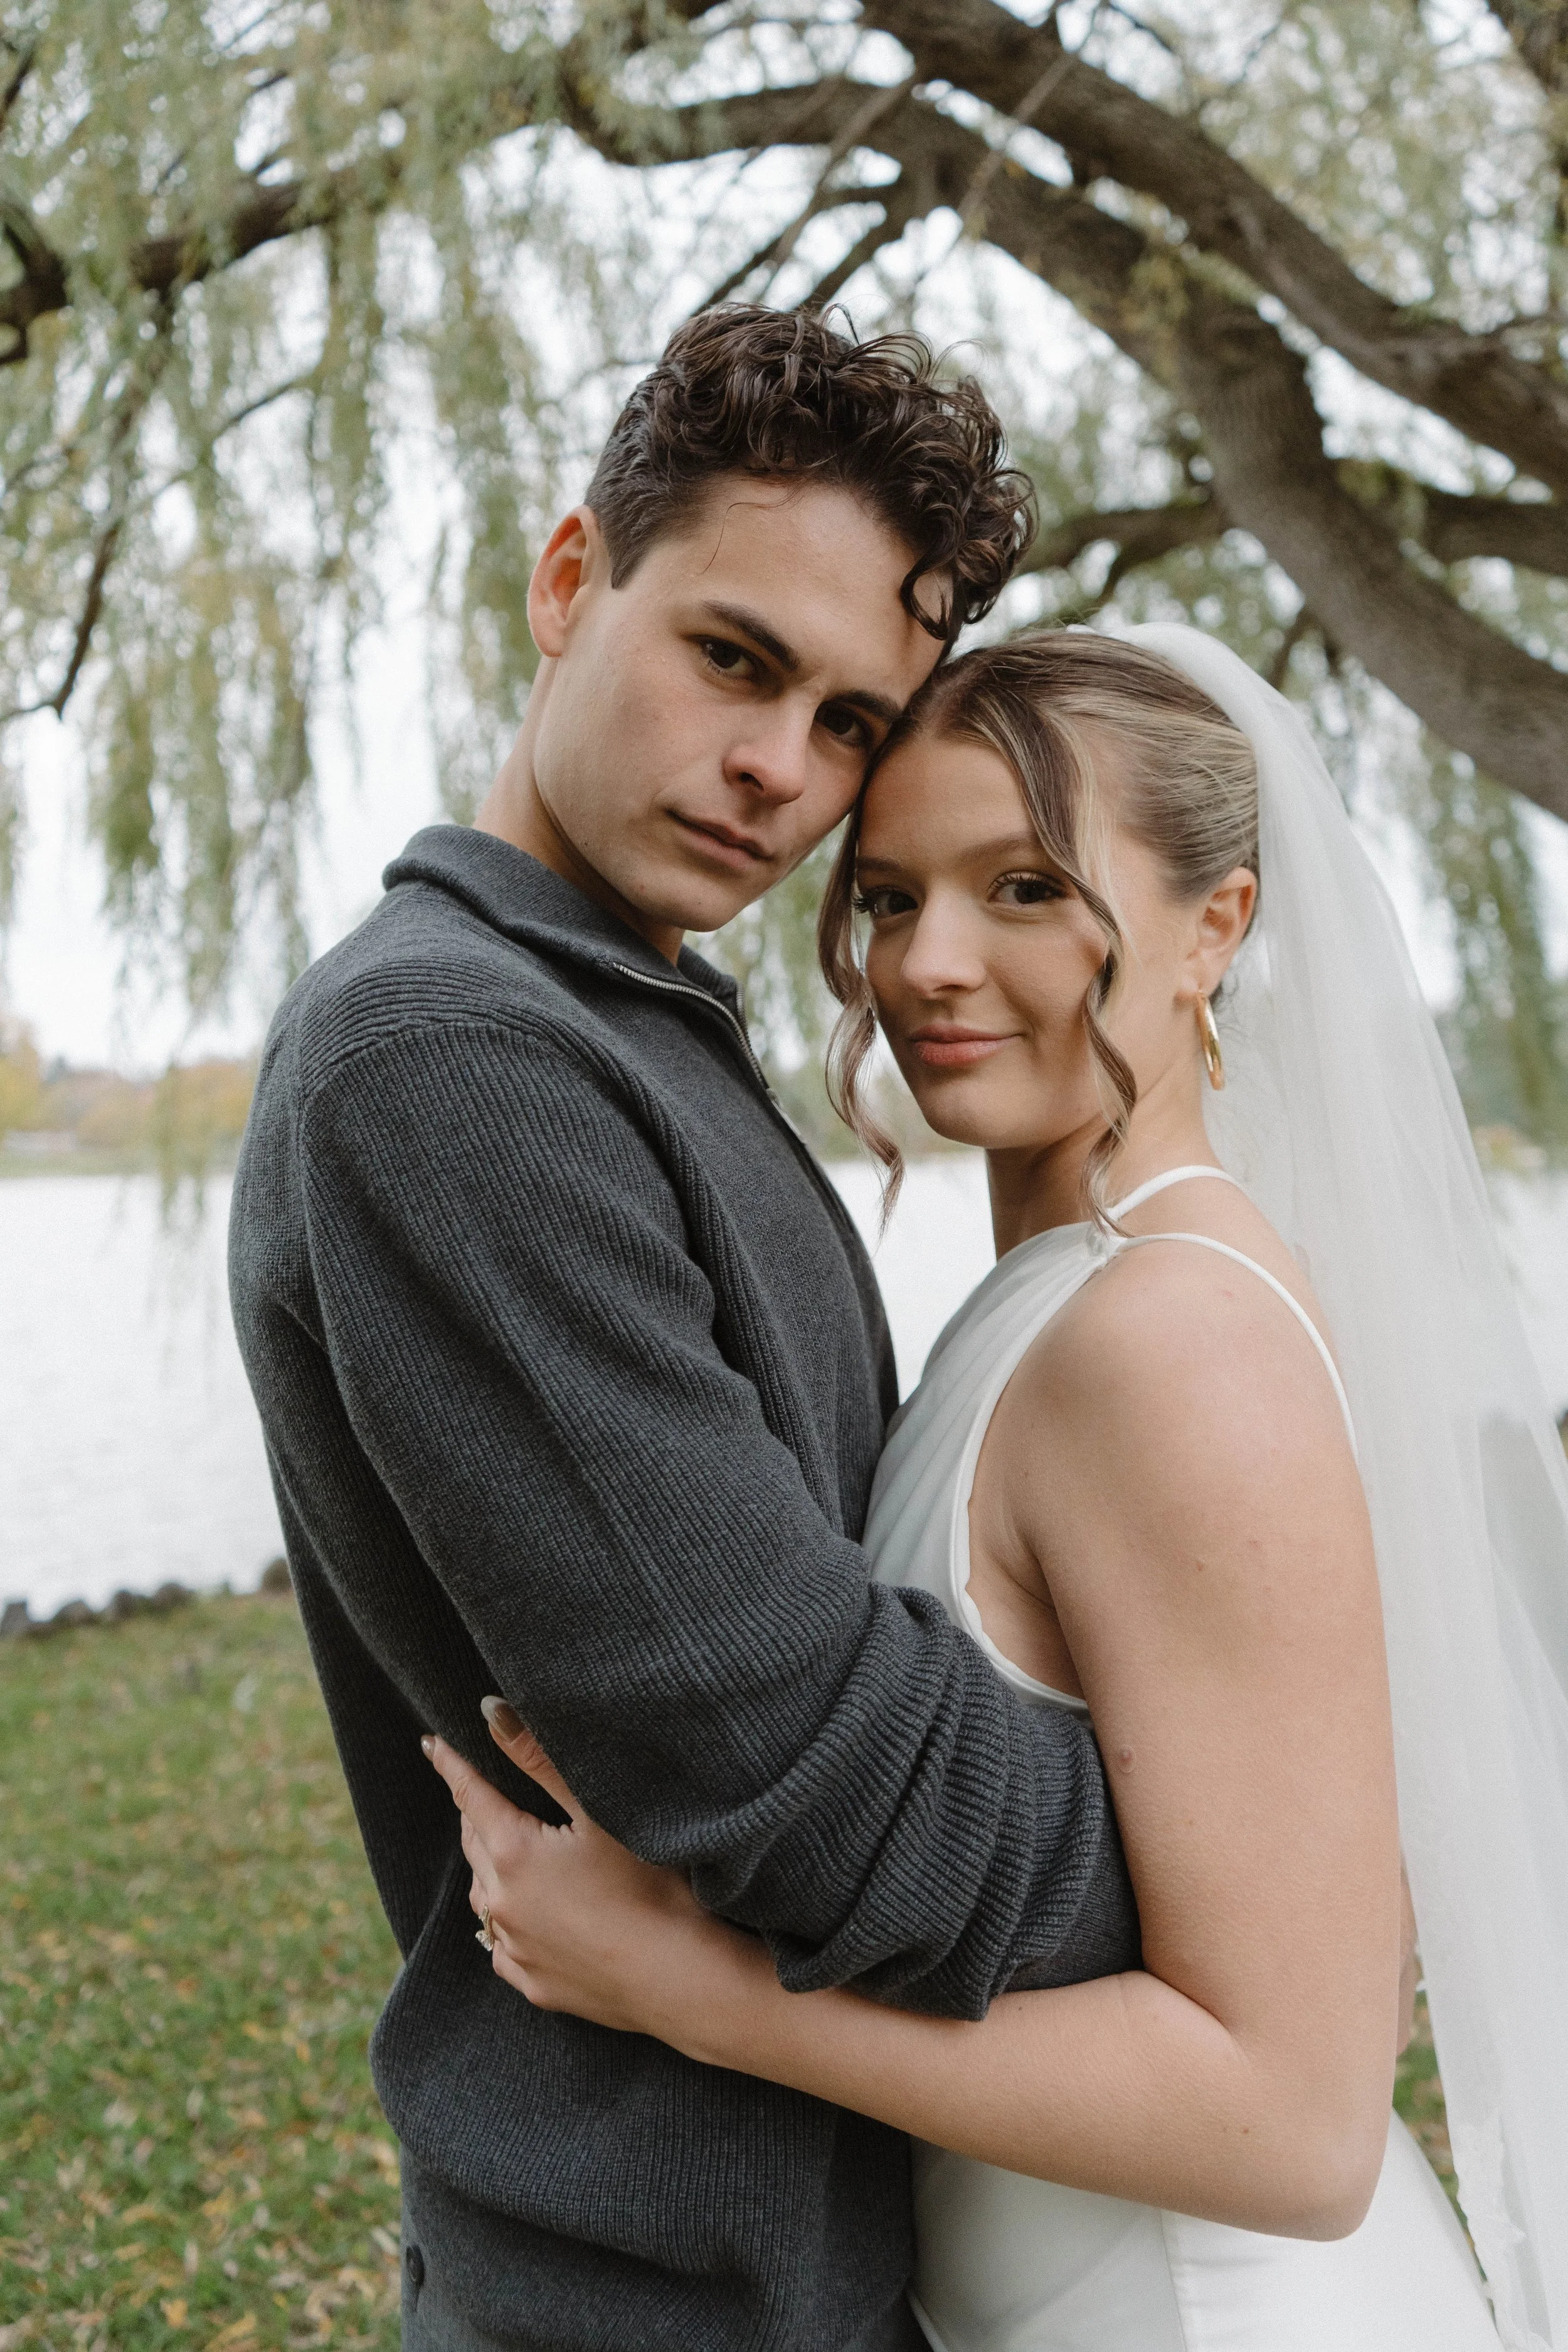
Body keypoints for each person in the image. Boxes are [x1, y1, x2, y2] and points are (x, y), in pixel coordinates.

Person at [429, 627, 1568, 2347]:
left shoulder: (1167, 1339)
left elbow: (1300, 2121)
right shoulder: (1064, 1295)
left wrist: (698, 1990)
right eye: (888, 897)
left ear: (1217, 927)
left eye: (1024, 886)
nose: (930, 963)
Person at [228, 308, 1153, 2352]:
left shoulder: (633, 1034)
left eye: (846, 722)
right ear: (571, 582)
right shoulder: (447, 1057)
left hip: (805, 2251)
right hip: (644, 2294)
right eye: (733, 659)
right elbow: (806, 1774)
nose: (777, 771)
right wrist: (1238, 1830)